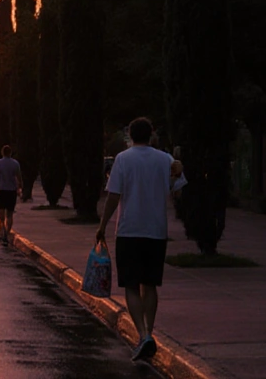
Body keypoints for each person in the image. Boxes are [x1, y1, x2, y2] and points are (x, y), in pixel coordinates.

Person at [95, 117, 186, 363]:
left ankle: (144, 335)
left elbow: (113, 197)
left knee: (132, 285)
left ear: (130, 136)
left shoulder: (123, 160)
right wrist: (178, 171)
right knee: (150, 284)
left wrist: (102, 226)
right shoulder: (165, 159)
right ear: (152, 135)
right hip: (156, 231)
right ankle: (148, 333)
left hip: (128, 231)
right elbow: (178, 191)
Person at [0, 145, 23, 244]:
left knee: (1, 215)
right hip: (12, 191)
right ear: (10, 153)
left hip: (2, 191)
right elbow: (19, 176)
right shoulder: (15, 163)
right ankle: (7, 233)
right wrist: (20, 187)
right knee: (9, 214)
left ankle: (3, 232)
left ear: (2, 152)